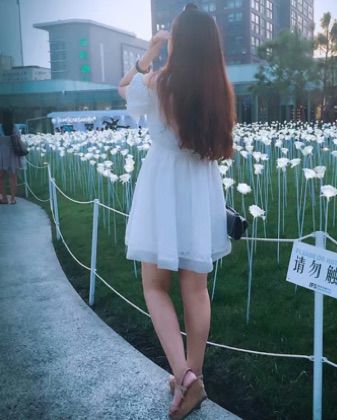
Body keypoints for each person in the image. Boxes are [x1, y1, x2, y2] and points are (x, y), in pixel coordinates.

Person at [118, 3, 235, 419]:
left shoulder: (158, 83)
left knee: (154, 286)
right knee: (195, 288)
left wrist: (149, 52)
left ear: (178, 42)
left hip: (163, 186)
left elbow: (123, 88)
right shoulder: (218, 89)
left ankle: (184, 378)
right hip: (200, 188)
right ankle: (192, 377)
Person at [0, 108, 24, 205]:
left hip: (2, 154)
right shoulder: (15, 128)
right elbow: (18, 139)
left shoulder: (0, 128)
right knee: (13, 176)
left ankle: (4, 198)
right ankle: (13, 199)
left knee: (1, 177)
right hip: (13, 154)